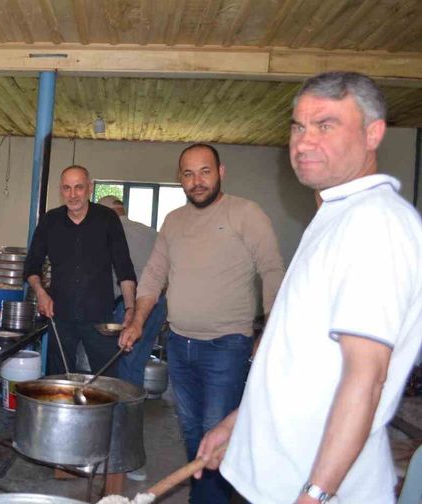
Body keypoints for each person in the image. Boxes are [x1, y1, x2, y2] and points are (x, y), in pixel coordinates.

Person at [197, 72, 422, 504]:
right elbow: (303, 361)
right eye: (298, 126)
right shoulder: (335, 215)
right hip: (276, 478)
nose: (303, 142)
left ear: (373, 133)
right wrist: (242, 422)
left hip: (307, 488)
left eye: (326, 125)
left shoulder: (375, 224)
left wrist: (314, 494)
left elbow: (366, 378)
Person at [119, 143, 285, 503]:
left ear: (221, 172)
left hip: (226, 346)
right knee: (193, 433)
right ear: (180, 178)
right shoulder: (174, 221)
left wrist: (270, 332)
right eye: (189, 174)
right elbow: (153, 276)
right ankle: (206, 495)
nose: (197, 181)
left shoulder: (246, 213)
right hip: (179, 344)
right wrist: (137, 321)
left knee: (217, 436)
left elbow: (273, 272)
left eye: (205, 171)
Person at [25, 166, 136, 378]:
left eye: (78, 188)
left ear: (90, 188)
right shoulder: (50, 221)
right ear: (61, 190)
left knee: (106, 378)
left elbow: (124, 268)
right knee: (58, 377)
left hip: (99, 317)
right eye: (67, 188)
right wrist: (41, 292)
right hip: (60, 314)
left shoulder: (107, 219)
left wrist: (130, 308)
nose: (73, 194)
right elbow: (31, 265)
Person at [97, 195, 164, 389]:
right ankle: (133, 409)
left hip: (129, 307)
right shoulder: (151, 232)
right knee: (138, 361)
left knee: (123, 361)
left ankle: (122, 411)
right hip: (157, 305)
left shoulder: (107, 233)